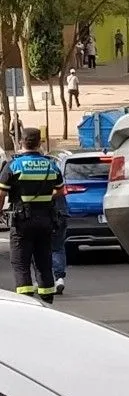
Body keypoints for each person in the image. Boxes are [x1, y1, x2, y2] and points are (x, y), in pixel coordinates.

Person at [0, 128, 64, 303]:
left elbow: (1, 193)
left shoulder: (14, 165)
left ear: (21, 143)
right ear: (40, 143)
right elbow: (61, 190)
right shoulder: (51, 164)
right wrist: (45, 198)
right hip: (46, 220)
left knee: (20, 263)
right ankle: (47, 300)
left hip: (22, 221)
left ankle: (26, 301)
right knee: (44, 262)